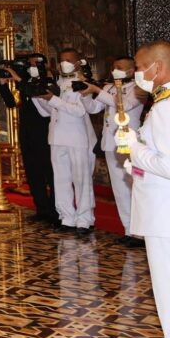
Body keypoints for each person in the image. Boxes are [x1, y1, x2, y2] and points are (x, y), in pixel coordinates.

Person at [128, 41, 170, 338]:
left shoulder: (163, 109)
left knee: (168, 296)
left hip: (164, 216)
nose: (135, 74)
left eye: (139, 67)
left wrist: (134, 150)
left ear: (157, 68)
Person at [33, 48, 103, 234]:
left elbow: (79, 111)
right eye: (62, 60)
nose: (65, 63)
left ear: (78, 62)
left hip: (77, 137)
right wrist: (39, 97)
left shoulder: (82, 83)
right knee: (61, 180)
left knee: (81, 179)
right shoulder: (56, 82)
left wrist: (54, 99)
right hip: (56, 137)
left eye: (69, 60)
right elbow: (47, 112)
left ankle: (84, 219)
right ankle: (67, 217)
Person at [0, 52, 58, 226]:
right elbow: (12, 103)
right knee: (33, 171)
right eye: (29, 64)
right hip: (27, 130)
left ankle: (55, 210)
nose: (31, 67)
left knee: (50, 171)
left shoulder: (48, 80)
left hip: (45, 130)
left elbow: (40, 95)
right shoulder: (25, 81)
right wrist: (3, 85)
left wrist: (18, 78)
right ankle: (42, 208)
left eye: (35, 64)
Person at [94, 55, 143, 246]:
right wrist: (88, 94)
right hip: (110, 142)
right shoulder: (109, 87)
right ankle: (128, 229)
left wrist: (98, 91)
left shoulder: (138, 89)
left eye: (120, 67)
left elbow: (126, 105)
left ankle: (140, 233)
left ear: (131, 71)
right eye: (114, 66)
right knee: (119, 189)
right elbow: (93, 108)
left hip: (129, 142)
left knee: (132, 187)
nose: (115, 70)